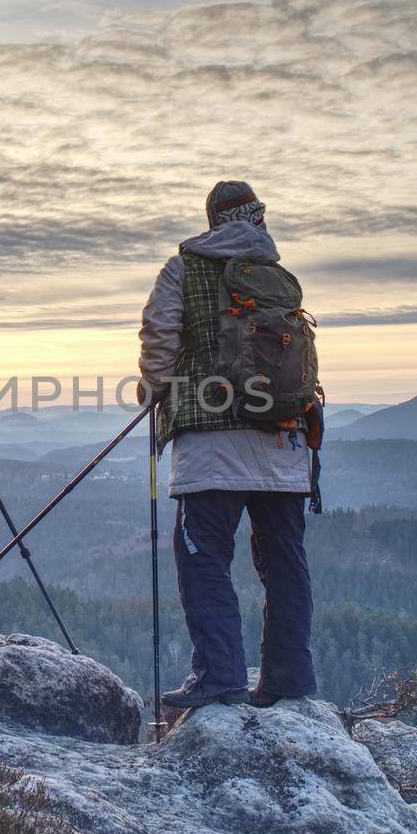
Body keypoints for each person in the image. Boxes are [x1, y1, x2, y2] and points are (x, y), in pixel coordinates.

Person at [138, 180, 318, 709]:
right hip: (286, 441)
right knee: (284, 560)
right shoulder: (280, 278)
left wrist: (154, 392)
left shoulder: (183, 269)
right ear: (258, 218)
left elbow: (160, 339)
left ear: (212, 221)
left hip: (211, 442)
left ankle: (219, 677)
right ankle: (289, 676)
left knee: (203, 557)